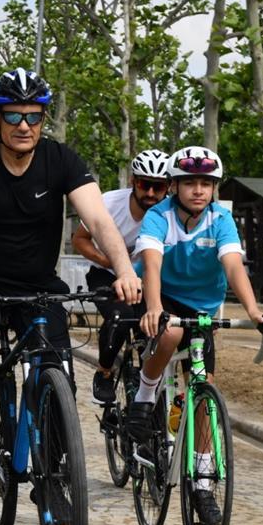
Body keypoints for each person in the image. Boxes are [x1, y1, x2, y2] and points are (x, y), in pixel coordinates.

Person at [0, 68, 141, 445]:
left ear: (43, 118)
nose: (23, 125)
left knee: (58, 372)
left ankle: (54, 471)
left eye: (33, 115)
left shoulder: (62, 160)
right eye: (13, 115)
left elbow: (98, 219)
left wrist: (125, 271)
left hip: (38, 282)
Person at [123, 147, 263, 525]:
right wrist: (153, 306)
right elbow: (152, 264)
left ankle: (203, 483)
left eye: (206, 183)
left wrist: (254, 312)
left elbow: (233, 266)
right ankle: (143, 397)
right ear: (174, 186)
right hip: (165, 295)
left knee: (204, 391)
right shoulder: (159, 216)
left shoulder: (221, 219)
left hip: (203, 306)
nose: (198, 190)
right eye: (190, 182)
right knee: (170, 331)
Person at [71, 148, 170, 404]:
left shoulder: (172, 212)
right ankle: (104, 371)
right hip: (107, 274)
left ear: (168, 187)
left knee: (159, 327)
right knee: (121, 317)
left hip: (149, 279)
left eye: (158, 187)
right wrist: (109, 260)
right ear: (132, 181)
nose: (150, 193)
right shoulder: (109, 203)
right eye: (143, 184)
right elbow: (79, 240)